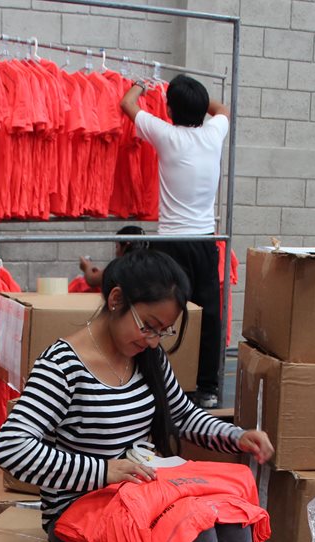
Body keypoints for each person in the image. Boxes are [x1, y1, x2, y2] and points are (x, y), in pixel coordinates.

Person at [0, 248, 274, 542]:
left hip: (143, 497)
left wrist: (236, 436)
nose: (153, 340)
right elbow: (11, 448)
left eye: (163, 331)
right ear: (116, 300)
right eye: (148, 326)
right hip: (82, 510)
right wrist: (103, 471)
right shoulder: (62, 366)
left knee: (231, 526)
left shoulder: (147, 357)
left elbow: (182, 415)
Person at [121, 74, 229, 409]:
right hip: (205, 241)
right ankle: (207, 387)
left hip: (171, 243)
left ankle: (160, 382)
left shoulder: (166, 134)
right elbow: (222, 109)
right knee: (208, 314)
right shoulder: (214, 133)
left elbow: (127, 104)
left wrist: (142, 83)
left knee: (161, 311)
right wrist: (199, 99)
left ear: (169, 110)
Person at [70, 224, 147, 293]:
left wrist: (87, 266)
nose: (116, 252)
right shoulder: (150, 261)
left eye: (117, 246)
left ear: (126, 245)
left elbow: (92, 279)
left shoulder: (122, 265)